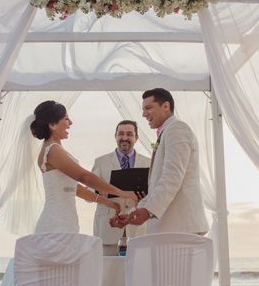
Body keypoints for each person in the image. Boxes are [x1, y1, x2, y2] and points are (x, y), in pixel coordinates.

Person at [30, 100, 138, 233]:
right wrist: (123, 193)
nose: (70, 122)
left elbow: (74, 189)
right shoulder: (53, 150)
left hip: (64, 221)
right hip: (57, 224)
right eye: (66, 118)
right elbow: (84, 177)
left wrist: (107, 202)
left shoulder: (51, 149)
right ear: (52, 125)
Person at [110, 88, 208, 234]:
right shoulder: (166, 132)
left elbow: (172, 177)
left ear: (166, 106)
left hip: (181, 226)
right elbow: (156, 186)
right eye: (143, 109)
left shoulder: (177, 129)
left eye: (148, 108)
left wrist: (148, 211)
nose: (144, 114)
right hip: (171, 228)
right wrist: (133, 213)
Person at [91, 120, 151, 255]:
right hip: (108, 227)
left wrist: (146, 196)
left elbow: (155, 192)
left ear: (136, 138)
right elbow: (89, 192)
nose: (125, 138)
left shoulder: (148, 163)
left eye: (129, 134)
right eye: (121, 134)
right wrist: (99, 191)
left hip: (137, 229)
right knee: (108, 272)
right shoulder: (100, 162)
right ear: (115, 136)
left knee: (137, 271)